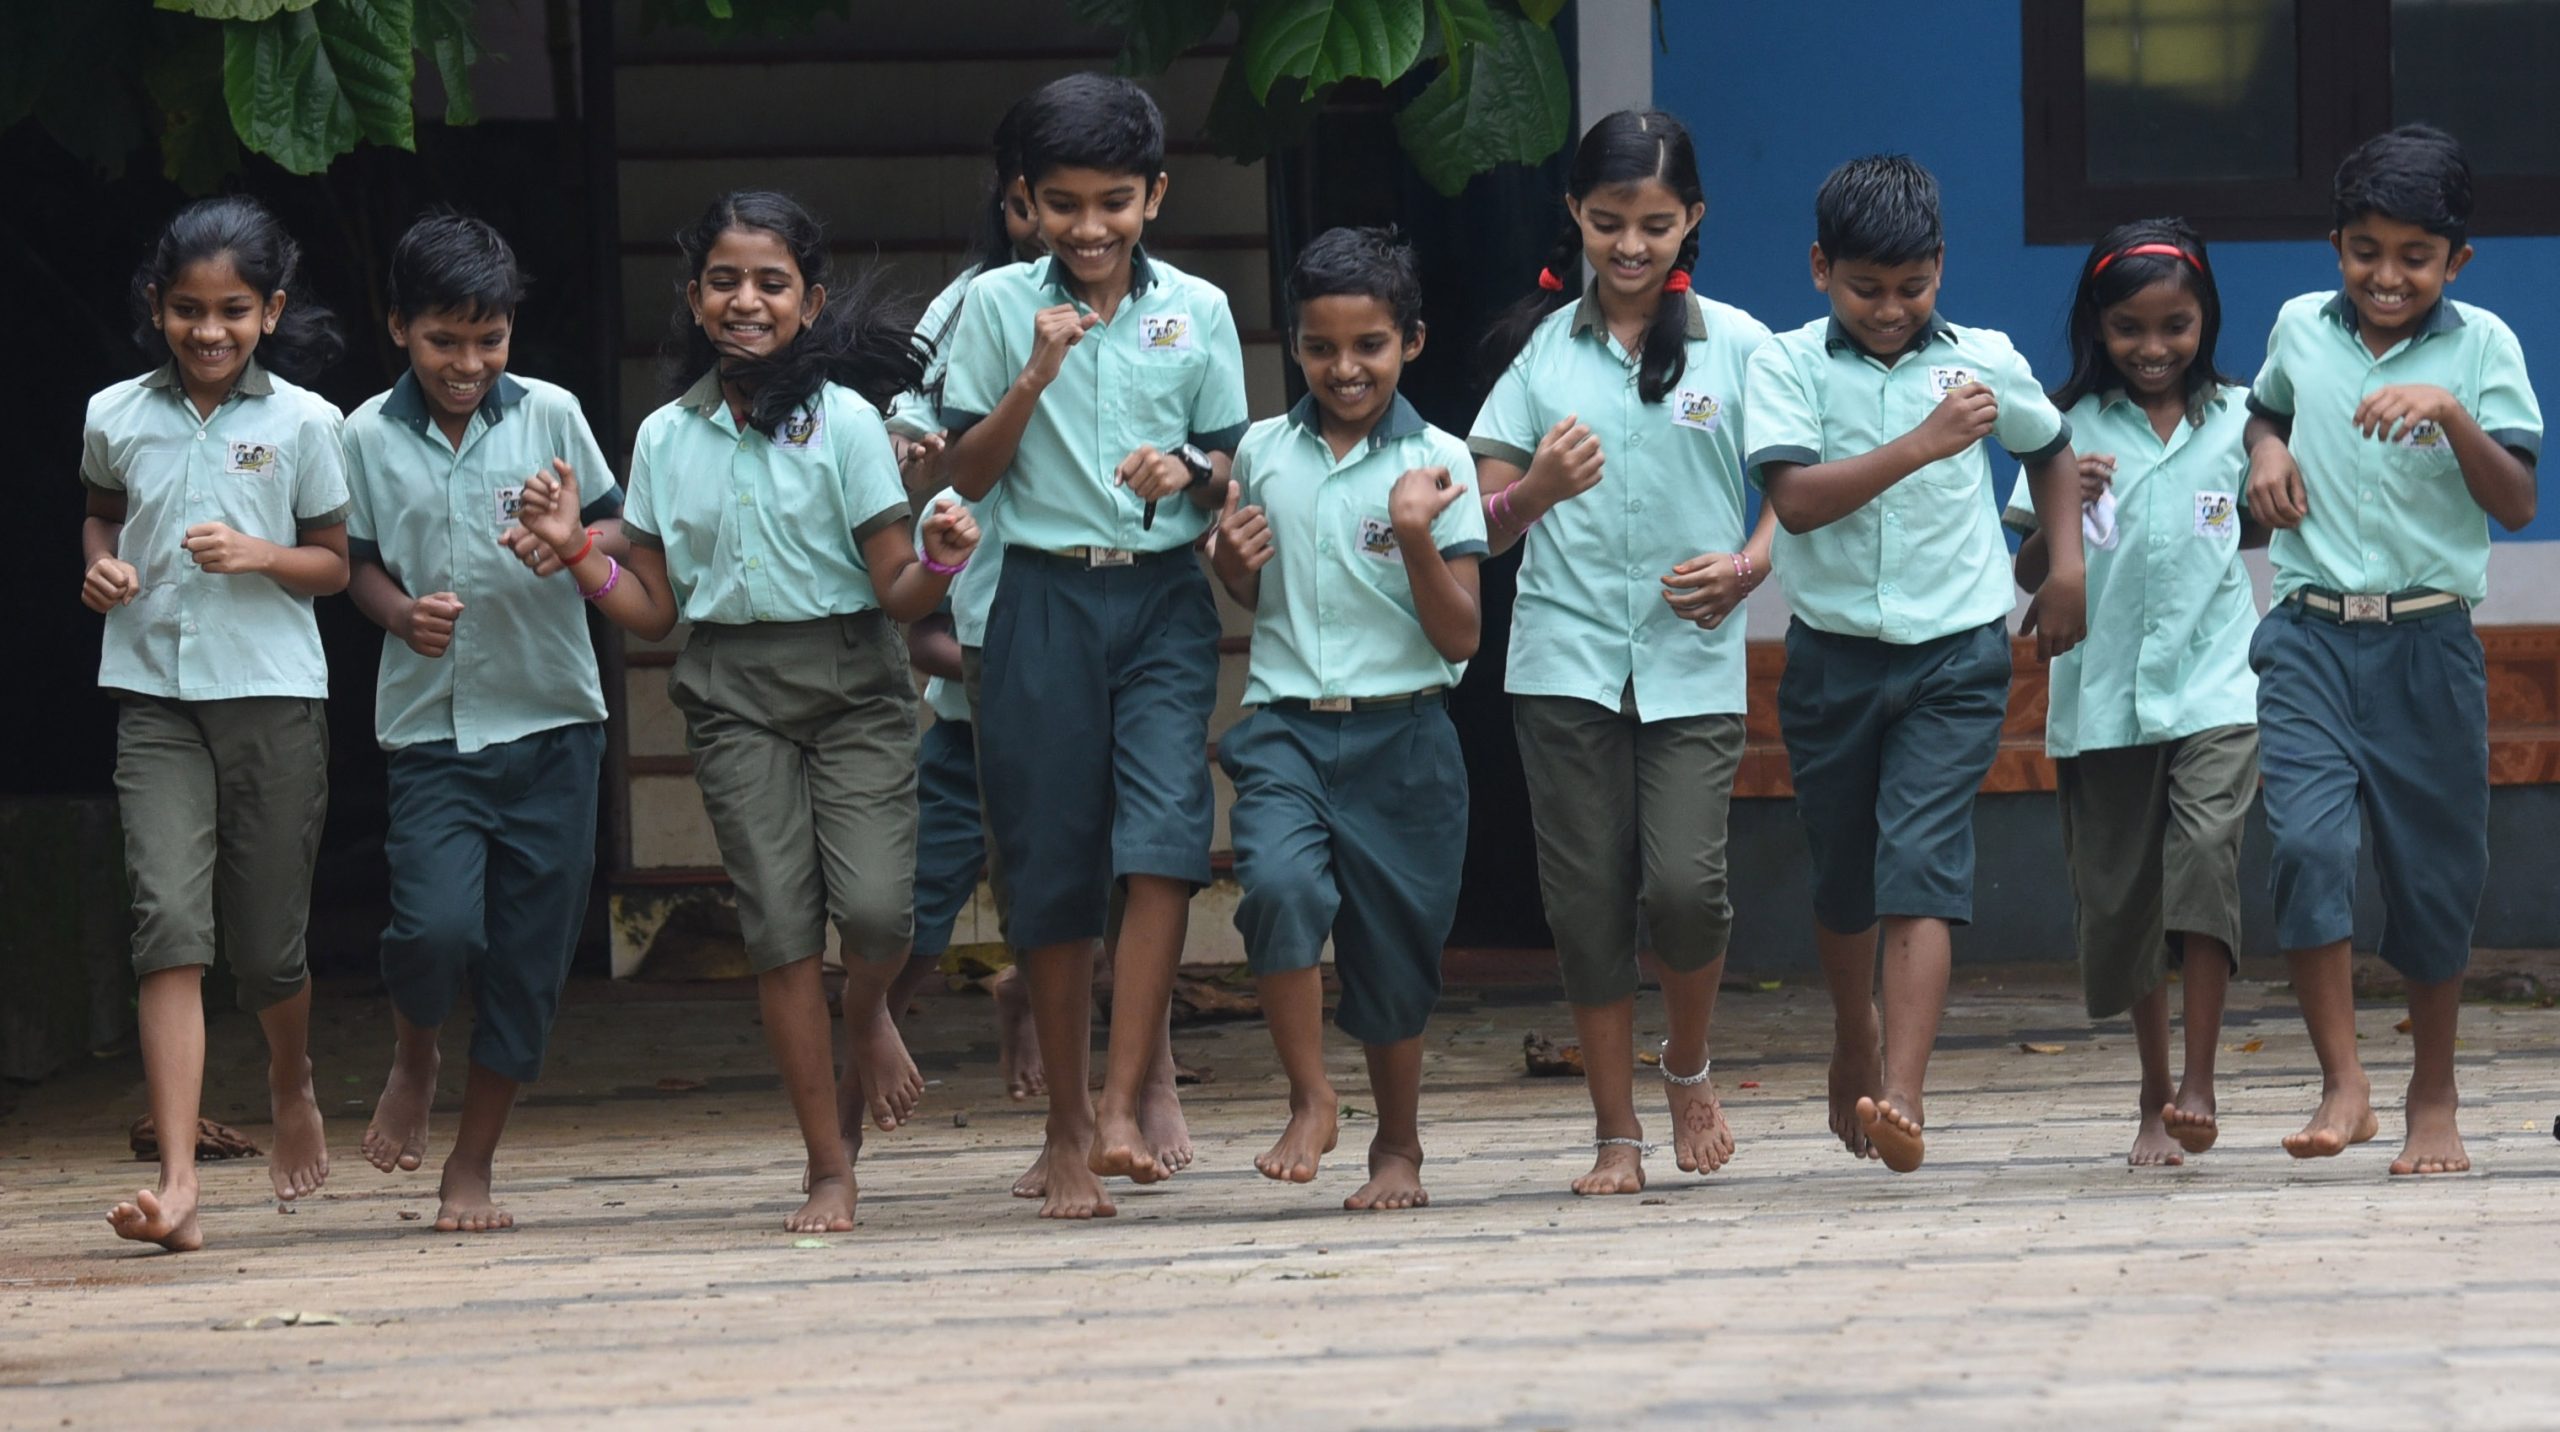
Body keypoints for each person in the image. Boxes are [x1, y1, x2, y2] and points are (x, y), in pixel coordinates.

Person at [516, 190, 979, 1233]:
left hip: (857, 685)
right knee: (777, 931)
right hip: (731, 696)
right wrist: (577, 554)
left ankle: (864, 1017)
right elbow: (650, 612)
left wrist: (943, 559)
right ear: (692, 297)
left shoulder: (849, 424)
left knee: (874, 915)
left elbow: (898, 590)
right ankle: (829, 1164)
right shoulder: (664, 438)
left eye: (771, 282)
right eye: (723, 279)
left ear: (810, 302)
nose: (745, 300)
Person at [939, 74, 1249, 1218]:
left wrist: (1190, 472)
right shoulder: (991, 306)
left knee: (1167, 839)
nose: (1088, 228)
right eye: (1061, 203)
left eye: (1112, 201)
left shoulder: (1200, 311)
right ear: (1024, 201)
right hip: (1038, 599)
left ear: (1154, 196)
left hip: (1164, 600)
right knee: (1050, 861)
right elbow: (967, 469)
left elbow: (1224, 459)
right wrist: (1034, 373)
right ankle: (1067, 1129)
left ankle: (1124, 1104)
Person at [1743, 154, 2088, 1173]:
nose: (1888, 309)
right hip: (1831, 659)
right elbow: (1796, 500)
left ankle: (1903, 1091)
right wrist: (1926, 444)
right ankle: (1854, 1032)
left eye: (1910, 287)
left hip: (1957, 655)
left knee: (1919, 869)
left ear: (1940, 266)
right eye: (1864, 288)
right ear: (1818, 269)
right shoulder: (1787, 364)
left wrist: (2062, 565)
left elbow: (2051, 445)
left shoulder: (1982, 357)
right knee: (1844, 874)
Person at [1468, 109, 1775, 1195]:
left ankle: (1687, 1065)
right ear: (1575, 219)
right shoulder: (1539, 354)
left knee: (1687, 888)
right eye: (1607, 224)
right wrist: (1534, 490)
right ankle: (1615, 1130)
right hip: (1562, 662)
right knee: (1586, 898)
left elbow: (1789, 495)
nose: (1631, 247)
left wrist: (1746, 566)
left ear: (1692, 218)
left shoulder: (1741, 345)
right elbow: (1480, 522)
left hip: (1692, 657)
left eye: (1653, 223)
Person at [2242, 124, 2541, 1175]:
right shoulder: (2295, 327)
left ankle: (2432, 1093)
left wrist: (2450, 411)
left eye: (2414, 256)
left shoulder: (2484, 348)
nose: (2386, 275)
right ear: (2335, 247)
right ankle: (2343, 1082)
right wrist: (2266, 452)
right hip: (2310, 635)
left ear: (2454, 262)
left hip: (2428, 644)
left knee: (2432, 876)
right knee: (2307, 850)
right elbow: (2262, 416)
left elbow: (2514, 499)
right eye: (2365, 250)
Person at [342, 212, 625, 1229]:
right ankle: (415, 1050)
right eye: (442, 340)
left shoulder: (551, 411)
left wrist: (574, 540)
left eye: (488, 339)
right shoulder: (363, 436)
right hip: (430, 732)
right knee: (433, 928)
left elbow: (617, 521)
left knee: (527, 960)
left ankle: (474, 1160)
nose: (467, 364)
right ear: (398, 329)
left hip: (554, 726)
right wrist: (398, 614)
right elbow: (355, 562)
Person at [85, 195, 352, 1250]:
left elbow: (333, 561)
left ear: (271, 311)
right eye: (188, 309)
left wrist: (261, 556)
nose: (209, 331)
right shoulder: (114, 412)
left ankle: (292, 1080)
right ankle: (181, 1184)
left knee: (268, 949)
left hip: (274, 696)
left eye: (233, 310)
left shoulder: (306, 423)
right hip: (152, 695)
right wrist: (98, 564)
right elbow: (103, 511)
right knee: (168, 930)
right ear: (157, 308)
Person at [1211, 225, 1485, 1212]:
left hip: (1405, 736)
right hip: (1286, 725)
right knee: (1277, 887)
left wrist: (1414, 533)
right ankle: (1310, 1095)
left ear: (1409, 341)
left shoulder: (1441, 461)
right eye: (1321, 347)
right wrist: (1230, 562)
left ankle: (1398, 1148)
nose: (1344, 367)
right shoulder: (1261, 450)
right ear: (1293, 345)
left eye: (1368, 344)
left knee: (1392, 947)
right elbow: (1250, 590)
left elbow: (1459, 638)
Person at [2008, 218, 2258, 1166]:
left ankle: (2199, 1081)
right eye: (2130, 330)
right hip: (2103, 700)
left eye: (2176, 326)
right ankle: (2154, 1095)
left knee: (2202, 862)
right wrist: (2067, 507)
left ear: (2205, 321)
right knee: (2125, 903)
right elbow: (2032, 567)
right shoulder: (2061, 431)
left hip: (2216, 689)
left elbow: (2263, 527)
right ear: (2096, 329)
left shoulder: (2242, 421)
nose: (2154, 349)